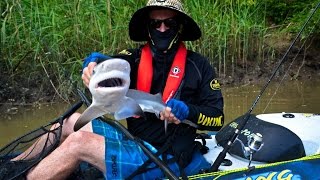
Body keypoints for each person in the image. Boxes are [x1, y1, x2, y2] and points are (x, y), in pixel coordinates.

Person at [25, 0, 224, 179]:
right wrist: (93, 63)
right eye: (155, 23)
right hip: (133, 140)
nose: (162, 29)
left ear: (179, 27)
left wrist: (188, 110)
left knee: (78, 142)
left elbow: (217, 119)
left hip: (165, 156)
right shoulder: (133, 57)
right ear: (148, 27)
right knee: (68, 123)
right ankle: (14, 166)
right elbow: (111, 63)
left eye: (169, 23)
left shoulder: (199, 65)